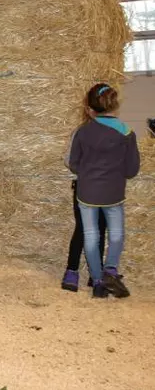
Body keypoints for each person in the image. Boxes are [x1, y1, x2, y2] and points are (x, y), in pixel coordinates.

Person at [67, 83, 140, 298]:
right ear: (115, 105)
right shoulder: (127, 132)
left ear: (90, 108)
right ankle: (111, 269)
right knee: (117, 234)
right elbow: (132, 169)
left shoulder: (82, 131)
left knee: (91, 236)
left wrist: (88, 174)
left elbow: (73, 163)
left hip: (87, 192)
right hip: (114, 193)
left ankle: (98, 281)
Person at [61, 104, 107, 292]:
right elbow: (70, 160)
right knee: (82, 228)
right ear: (88, 110)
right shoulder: (80, 132)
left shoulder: (117, 134)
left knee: (101, 228)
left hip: (107, 188)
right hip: (85, 186)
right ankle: (72, 270)